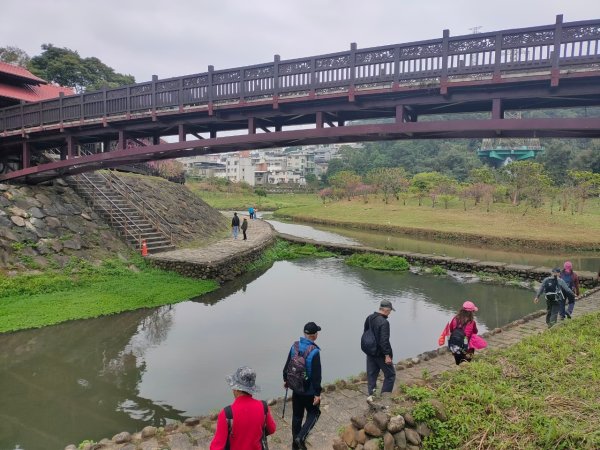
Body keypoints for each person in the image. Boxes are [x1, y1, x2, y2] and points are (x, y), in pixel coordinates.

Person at [210, 366, 276, 450]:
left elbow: (216, 447)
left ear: (237, 389)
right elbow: (272, 429)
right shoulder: (263, 406)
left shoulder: (227, 414)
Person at [283, 322, 322, 450]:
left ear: (305, 334)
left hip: (296, 388)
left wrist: (286, 380)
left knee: (297, 416)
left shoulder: (294, 346)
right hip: (309, 391)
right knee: (314, 413)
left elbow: (287, 365)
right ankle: (301, 437)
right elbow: (316, 375)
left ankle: (295, 445)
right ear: (314, 335)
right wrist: (317, 393)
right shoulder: (314, 352)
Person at [364, 300, 396, 399]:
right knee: (390, 375)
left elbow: (366, 334)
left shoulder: (369, 318)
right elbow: (384, 341)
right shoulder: (384, 322)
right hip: (380, 354)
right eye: (390, 310)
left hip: (370, 351)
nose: (390, 313)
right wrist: (387, 355)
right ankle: (385, 397)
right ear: (386, 310)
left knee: (372, 375)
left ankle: (371, 396)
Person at [447, 301, 480, 365]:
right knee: (467, 362)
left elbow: (451, 330)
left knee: (458, 362)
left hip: (455, 346)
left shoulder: (455, 318)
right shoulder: (472, 322)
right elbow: (475, 332)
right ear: (471, 312)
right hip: (467, 348)